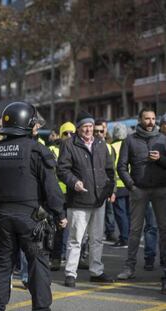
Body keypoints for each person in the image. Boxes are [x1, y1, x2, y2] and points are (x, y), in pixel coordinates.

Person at [0, 102, 66, 311]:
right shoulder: (37, 150)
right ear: (27, 123)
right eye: (34, 123)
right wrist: (60, 213)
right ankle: (41, 308)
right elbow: (51, 188)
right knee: (38, 264)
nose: (36, 127)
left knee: (2, 266)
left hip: (2, 217)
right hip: (32, 218)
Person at [58, 111, 115, 288]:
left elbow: (109, 170)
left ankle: (96, 271)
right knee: (76, 239)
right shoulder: (69, 144)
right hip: (79, 201)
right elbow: (62, 170)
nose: (89, 130)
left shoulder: (101, 144)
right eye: (85, 127)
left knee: (97, 238)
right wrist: (74, 182)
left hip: (99, 200)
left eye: (91, 126)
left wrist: (110, 190)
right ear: (78, 128)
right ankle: (70, 273)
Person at [116, 108, 166, 295]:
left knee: (164, 230)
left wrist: (160, 159)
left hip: (161, 190)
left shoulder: (163, 139)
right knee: (135, 230)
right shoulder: (130, 140)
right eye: (147, 119)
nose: (151, 122)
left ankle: (164, 269)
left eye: (153, 119)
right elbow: (121, 167)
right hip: (139, 190)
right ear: (140, 120)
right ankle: (129, 268)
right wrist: (131, 186)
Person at [48, 121, 76, 271]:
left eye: (72, 133)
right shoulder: (52, 149)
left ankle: (74, 257)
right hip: (58, 194)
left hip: (74, 193)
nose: (70, 136)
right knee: (59, 227)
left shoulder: (77, 148)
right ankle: (57, 257)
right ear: (60, 134)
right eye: (66, 133)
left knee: (76, 229)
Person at [95, 119, 116, 243]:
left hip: (106, 186)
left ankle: (110, 232)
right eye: (96, 130)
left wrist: (113, 190)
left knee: (109, 211)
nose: (99, 133)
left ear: (106, 130)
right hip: (94, 187)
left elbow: (112, 169)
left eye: (102, 130)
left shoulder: (109, 146)